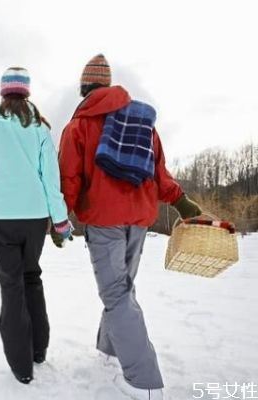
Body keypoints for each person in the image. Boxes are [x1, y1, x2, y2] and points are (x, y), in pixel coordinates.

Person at [58, 54, 202, 399]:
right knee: (122, 289)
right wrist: (182, 202)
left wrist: (61, 216)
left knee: (116, 294)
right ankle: (109, 350)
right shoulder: (141, 122)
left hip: (104, 221)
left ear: (84, 88)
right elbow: (159, 172)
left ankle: (144, 381)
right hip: (139, 218)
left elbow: (69, 178)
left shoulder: (78, 126)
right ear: (107, 86)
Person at [0, 67, 73, 384]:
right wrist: (59, 221)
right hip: (35, 218)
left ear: (3, 92)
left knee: (11, 286)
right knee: (31, 277)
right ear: (26, 93)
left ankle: (21, 367)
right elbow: (50, 181)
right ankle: (38, 350)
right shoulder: (40, 130)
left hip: (1, 217)